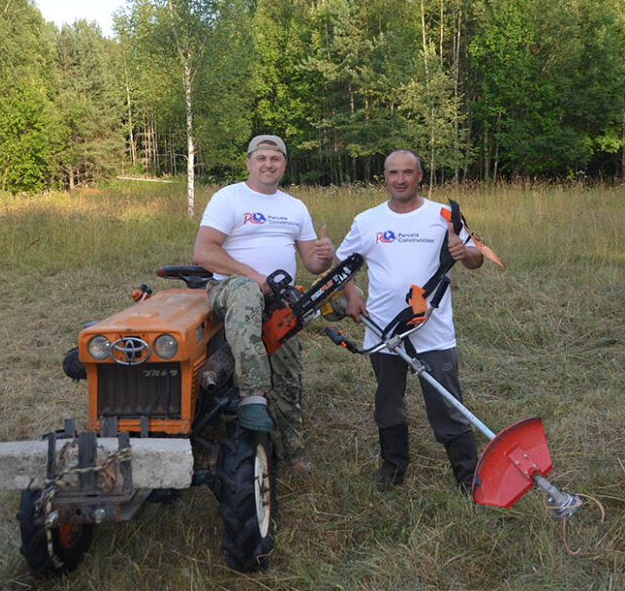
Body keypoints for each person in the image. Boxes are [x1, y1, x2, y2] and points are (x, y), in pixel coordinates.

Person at [336, 149, 484, 492]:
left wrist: (467, 254)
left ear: (419, 176)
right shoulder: (367, 220)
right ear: (384, 178)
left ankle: (468, 478)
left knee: (446, 403)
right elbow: (344, 264)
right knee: (388, 401)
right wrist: (353, 296)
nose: (400, 179)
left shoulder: (444, 215)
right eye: (392, 173)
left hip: (433, 330)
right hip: (383, 329)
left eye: (407, 172)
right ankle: (393, 467)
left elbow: (476, 258)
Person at [193, 134, 334, 471]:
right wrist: (253, 276)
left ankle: (291, 452)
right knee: (246, 289)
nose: (268, 164)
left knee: (287, 372)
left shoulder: (294, 207)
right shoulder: (229, 198)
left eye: (276, 159)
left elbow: (313, 264)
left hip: (278, 300)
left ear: (284, 164)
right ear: (249, 163)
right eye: (262, 158)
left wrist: (323, 256)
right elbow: (204, 251)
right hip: (231, 292)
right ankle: (252, 394)